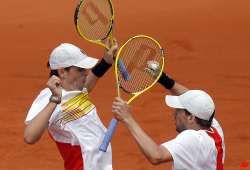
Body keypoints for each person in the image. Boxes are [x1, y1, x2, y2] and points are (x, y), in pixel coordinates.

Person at [24, 41, 118, 170]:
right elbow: (29, 136)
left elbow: (87, 85)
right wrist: (55, 99)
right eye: (80, 69)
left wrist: (106, 62)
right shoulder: (48, 96)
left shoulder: (76, 90)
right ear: (62, 72)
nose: (85, 73)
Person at [111, 72, 225, 170]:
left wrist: (127, 118)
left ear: (191, 117)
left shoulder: (192, 139)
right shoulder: (213, 126)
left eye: (179, 110)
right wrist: (163, 78)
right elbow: (195, 100)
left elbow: (156, 155)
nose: (174, 113)